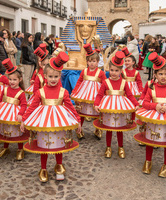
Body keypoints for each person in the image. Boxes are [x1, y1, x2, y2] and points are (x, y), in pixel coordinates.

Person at [21, 52, 81, 182]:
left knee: (58, 145)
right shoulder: (40, 92)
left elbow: (70, 106)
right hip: (44, 123)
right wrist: (24, 119)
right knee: (44, 146)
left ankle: (59, 165)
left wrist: (78, 121)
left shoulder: (63, 92)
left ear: (60, 76)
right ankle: (43, 168)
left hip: (59, 123)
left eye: (56, 76)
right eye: (50, 76)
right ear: (45, 76)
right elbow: (32, 107)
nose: (53, 79)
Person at [94, 51, 139, 159]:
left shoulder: (124, 83)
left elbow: (130, 95)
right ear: (109, 69)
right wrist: (96, 104)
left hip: (120, 109)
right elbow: (99, 95)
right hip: (108, 109)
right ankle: (108, 147)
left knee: (119, 128)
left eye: (116, 71)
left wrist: (136, 104)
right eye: (112, 70)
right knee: (109, 128)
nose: (113, 73)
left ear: (120, 71)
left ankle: (121, 147)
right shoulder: (105, 82)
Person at [71, 43, 107, 139]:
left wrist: (107, 94)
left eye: (94, 61)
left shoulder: (101, 73)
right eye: (90, 61)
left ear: (98, 62)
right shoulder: (84, 71)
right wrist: (74, 91)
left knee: (98, 113)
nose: (92, 63)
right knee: (82, 112)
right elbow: (79, 82)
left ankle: (98, 129)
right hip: (84, 96)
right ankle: (79, 128)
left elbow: (105, 84)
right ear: (87, 62)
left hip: (96, 96)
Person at [0, 58, 27, 160]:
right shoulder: (5, 89)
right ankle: (5, 147)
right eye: (10, 79)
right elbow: (0, 99)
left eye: (14, 80)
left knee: (17, 132)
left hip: (15, 115)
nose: (12, 82)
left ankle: (20, 148)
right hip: (4, 113)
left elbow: (24, 105)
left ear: (20, 80)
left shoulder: (21, 92)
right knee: (5, 130)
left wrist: (20, 114)